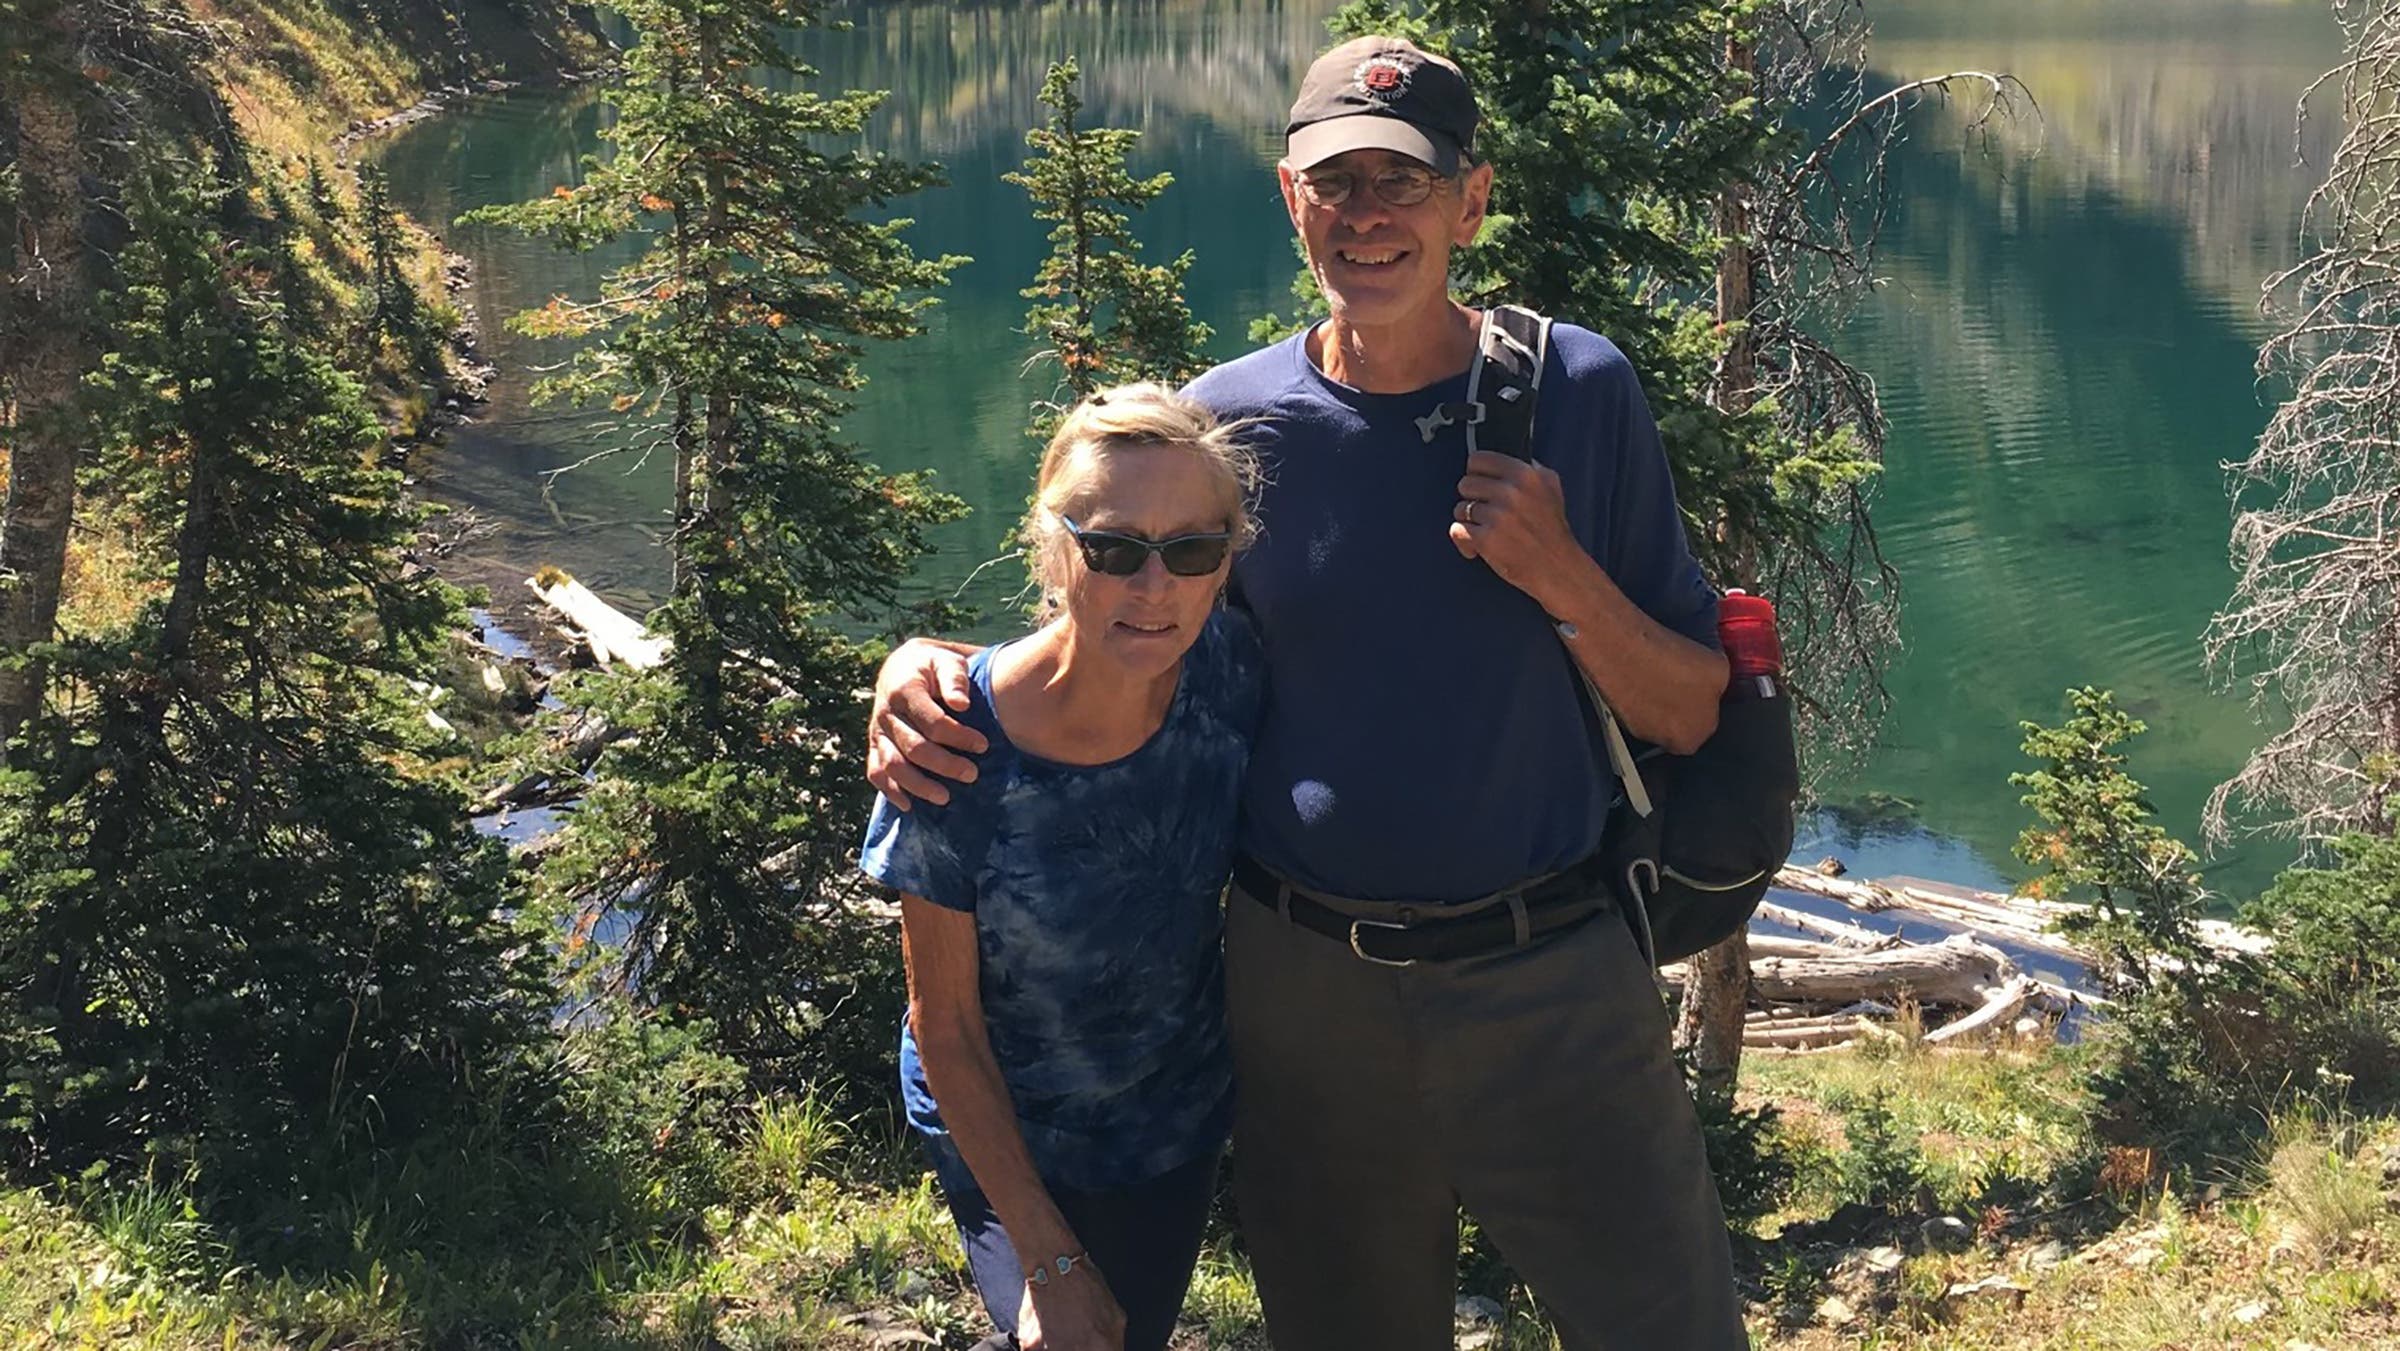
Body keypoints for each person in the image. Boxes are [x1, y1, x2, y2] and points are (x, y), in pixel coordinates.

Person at [868, 36, 1747, 1351]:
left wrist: (1562, 574)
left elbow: (1689, 709)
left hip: (1553, 975)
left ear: (1472, 200)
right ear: (1292, 200)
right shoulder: (1238, 423)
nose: (1369, 217)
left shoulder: (1577, 394)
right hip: (1305, 991)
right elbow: (1124, 612)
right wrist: (925, 667)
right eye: (1337, 184)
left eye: (1405, 181)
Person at [859, 384, 1263, 1351]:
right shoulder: (952, 751)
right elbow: (944, 1024)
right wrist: (1049, 1256)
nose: (1153, 586)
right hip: (1010, 1121)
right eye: (1115, 548)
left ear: (1223, 565)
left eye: (1191, 551)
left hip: (1172, 1110)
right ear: (1055, 549)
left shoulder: (1230, 670)